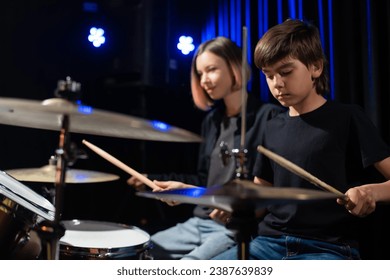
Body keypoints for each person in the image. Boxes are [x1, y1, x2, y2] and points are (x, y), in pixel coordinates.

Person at [213, 19, 390, 260]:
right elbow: (260, 198)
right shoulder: (271, 126)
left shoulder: (347, 117)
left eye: (286, 72)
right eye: (269, 75)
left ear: (315, 67)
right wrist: (234, 207)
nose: (277, 84)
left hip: (328, 248)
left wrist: (370, 191)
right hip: (268, 244)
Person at [127, 36, 284, 260]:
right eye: (200, 74)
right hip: (198, 222)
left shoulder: (269, 117)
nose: (204, 81)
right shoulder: (211, 121)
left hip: (233, 226)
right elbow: (204, 180)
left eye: (211, 70)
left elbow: (271, 185)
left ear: (234, 68)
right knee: (140, 254)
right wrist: (154, 178)